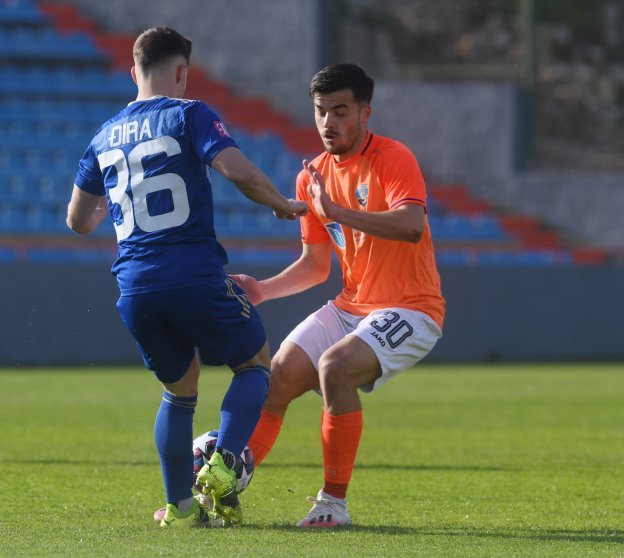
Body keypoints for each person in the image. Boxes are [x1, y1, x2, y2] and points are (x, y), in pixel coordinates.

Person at [66, 26, 307, 528]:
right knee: (255, 363)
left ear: (133, 72)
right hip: (193, 275)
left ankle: (178, 508)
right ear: (181, 72)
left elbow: (78, 220)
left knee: (179, 390)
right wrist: (281, 204)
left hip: (134, 287)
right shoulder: (189, 112)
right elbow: (236, 170)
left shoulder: (103, 135)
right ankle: (223, 465)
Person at [232, 63, 446, 527]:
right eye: (320, 111)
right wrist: (262, 290)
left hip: (412, 308)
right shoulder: (311, 177)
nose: (329, 122)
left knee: (335, 368)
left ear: (365, 113)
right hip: (352, 306)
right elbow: (315, 265)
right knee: (279, 378)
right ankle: (225, 481)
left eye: (341, 111)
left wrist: (339, 212)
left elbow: (411, 226)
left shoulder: (393, 158)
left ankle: (333, 503)